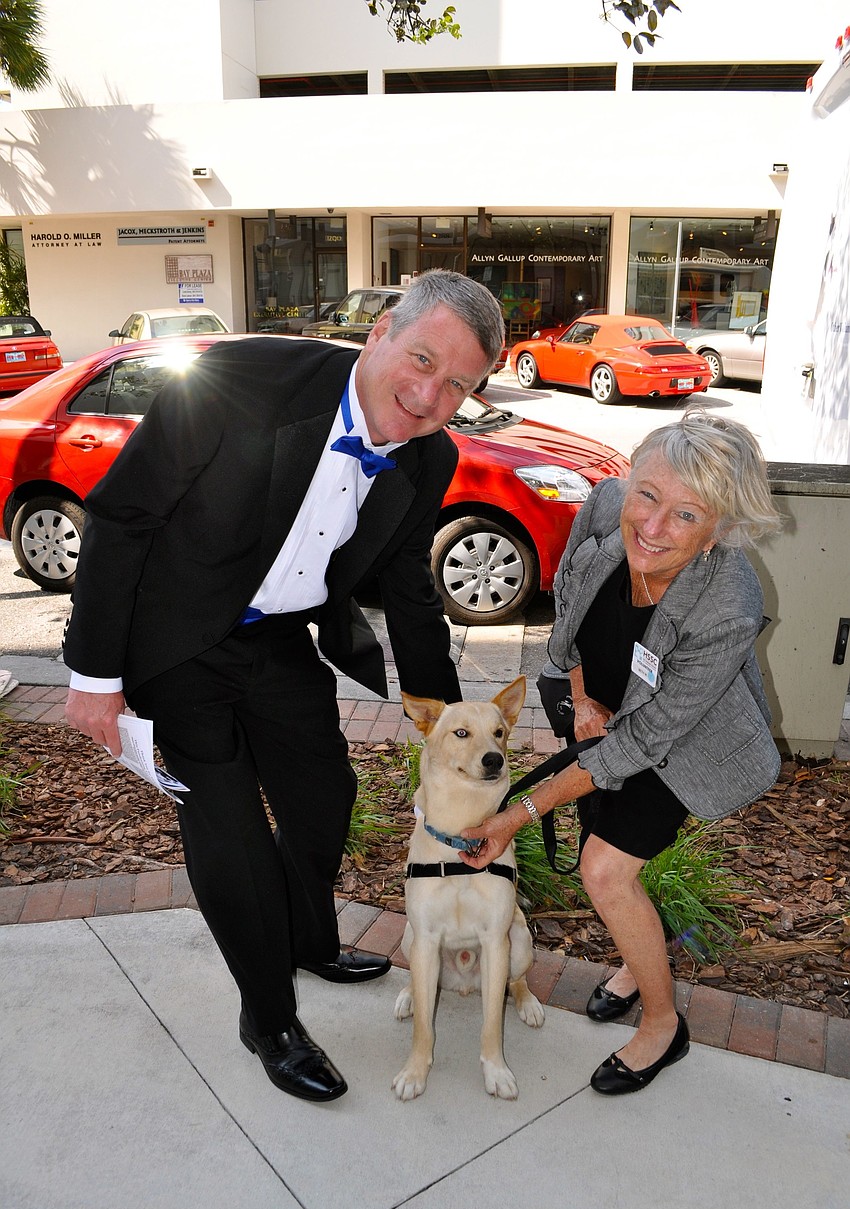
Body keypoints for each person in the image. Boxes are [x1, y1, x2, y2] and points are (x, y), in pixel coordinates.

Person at [64, 269, 504, 1104]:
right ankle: (268, 1018)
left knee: (325, 797)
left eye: (457, 384)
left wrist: (452, 718)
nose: (427, 394)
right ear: (378, 335)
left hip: (276, 638)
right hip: (174, 640)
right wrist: (94, 675)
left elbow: (408, 587)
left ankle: (305, 939)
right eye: (420, 359)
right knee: (230, 832)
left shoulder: (431, 456)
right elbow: (123, 517)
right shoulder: (240, 382)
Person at [459, 412, 782, 1095]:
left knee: (604, 870)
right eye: (648, 495)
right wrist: (579, 698)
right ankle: (640, 966)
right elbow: (571, 610)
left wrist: (516, 814)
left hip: (687, 741)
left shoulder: (727, 600)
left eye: (686, 514)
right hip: (600, 701)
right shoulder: (607, 504)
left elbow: (647, 738)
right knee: (602, 831)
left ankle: (663, 1026)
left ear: (718, 528)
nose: (653, 527)